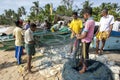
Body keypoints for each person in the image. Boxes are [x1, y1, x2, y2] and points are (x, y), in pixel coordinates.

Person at [76, 7, 95, 74]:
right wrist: (80, 35)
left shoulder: (88, 22)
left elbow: (84, 35)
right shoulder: (92, 21)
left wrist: (79, 37)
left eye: (83, 15)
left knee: (85, 55)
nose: (83, 16)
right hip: (89, 40)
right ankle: (81, 62)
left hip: (85, 41)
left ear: (86, 14)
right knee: (83, 52)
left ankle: (84, 68)